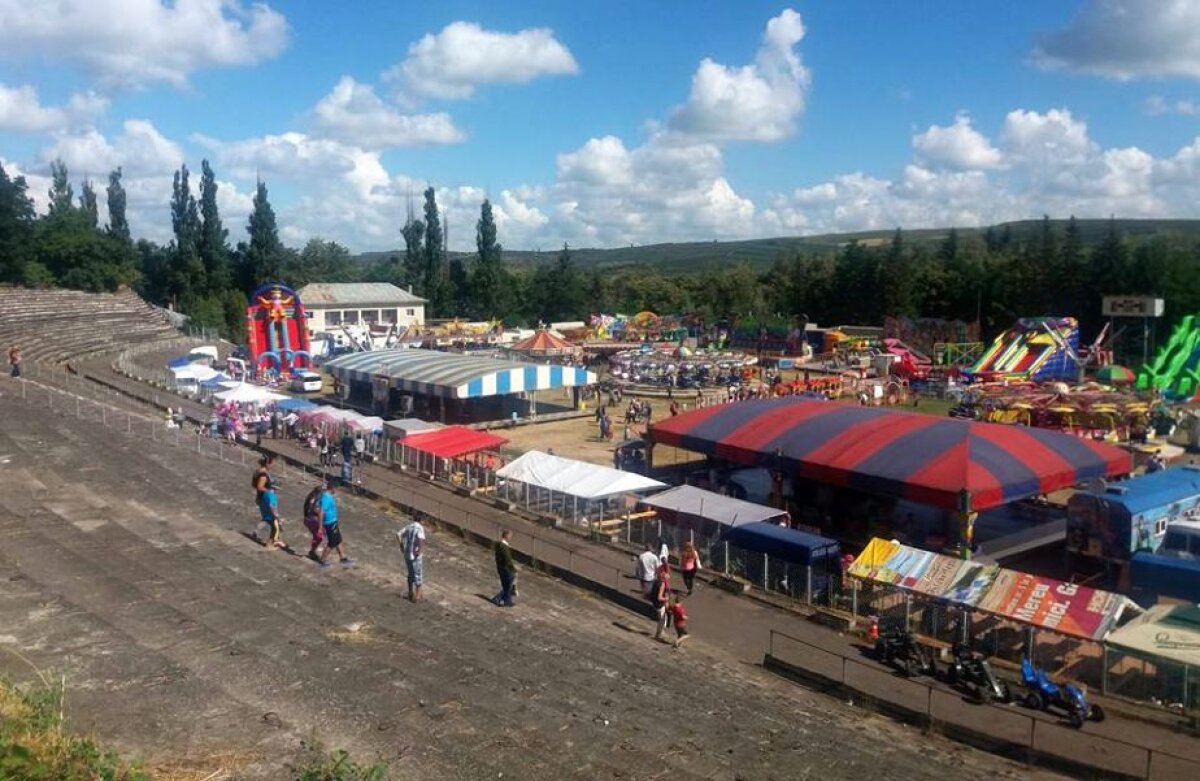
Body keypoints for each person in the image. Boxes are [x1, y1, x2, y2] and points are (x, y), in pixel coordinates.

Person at [317, 483, 353, 568]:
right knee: (332, 542)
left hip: (332, 522)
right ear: (332, 488)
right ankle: (322, 560)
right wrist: (320, 527)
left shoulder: (327, 495)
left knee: (338, 539)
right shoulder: (327, 498)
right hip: (329, 523)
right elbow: (321, 512)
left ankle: (343, 557)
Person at [398, 516, 426, 602]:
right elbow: (421, 539)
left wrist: (401, 546)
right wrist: (420, 551)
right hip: (415, 555)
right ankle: (417, 597)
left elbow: (398, 534)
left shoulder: (410, 526)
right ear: (422, 520)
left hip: (407, 554)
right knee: (418, 575)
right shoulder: (419, 528)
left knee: (410, 573)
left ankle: (410, 593)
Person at [253, 483, 286, 549]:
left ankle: (256, 531)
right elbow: (272, 506)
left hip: (264, 510)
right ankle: (271, 543)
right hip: (271, 513)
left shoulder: (265, 493)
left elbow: (258, 501)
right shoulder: (272, 495)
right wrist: (276, 515)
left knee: (265, 520)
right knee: (276, 528)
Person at [493, 529, 517, 607]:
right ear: (506, 536)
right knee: (508, 585)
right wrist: (513, 569)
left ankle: (505, 600)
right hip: (505, 568)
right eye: (510, 536)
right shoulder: (504, 547)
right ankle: (503, 600)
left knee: (507, 585)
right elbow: (507, 559)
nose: (511, 537)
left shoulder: (499, 545)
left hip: (501, 567)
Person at [302, 483, 326, 560]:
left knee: (317, 536)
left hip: (307, 520)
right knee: (321, 536)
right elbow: (316, 510)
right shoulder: (316, 500)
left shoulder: (310, 497)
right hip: (312, 520)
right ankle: (314, 551)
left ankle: (313, 551)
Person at [651, 563, 672, 641]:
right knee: (662, 620)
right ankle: (658, 635)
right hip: (659, 604)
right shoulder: (662, 584)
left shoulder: (656, 582)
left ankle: (661, 632)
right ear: (664, 578)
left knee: (663, 619)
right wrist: (666, 599)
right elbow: (659, 597)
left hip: (655, 603)